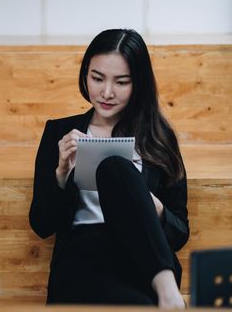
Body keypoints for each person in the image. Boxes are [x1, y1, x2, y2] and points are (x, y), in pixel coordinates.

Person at [29, 29, 189, 308]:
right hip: (82, 257)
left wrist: (151, 206)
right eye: (97, 78)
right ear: (85, 75)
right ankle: (167, 294)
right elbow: (42, 225)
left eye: (121, 82)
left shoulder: (159, 137)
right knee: (112, 166)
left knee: (115, 168)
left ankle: (166, 288)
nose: (106, 93)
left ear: (138, 83)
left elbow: (180, 233)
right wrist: (62, 172)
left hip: (143, 256)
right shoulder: (61, 132)